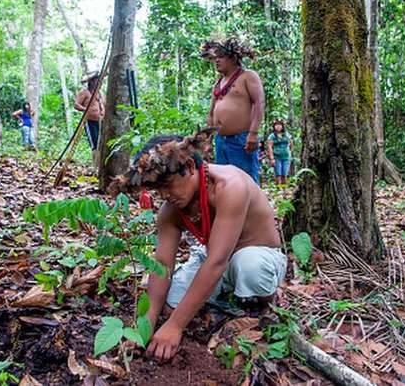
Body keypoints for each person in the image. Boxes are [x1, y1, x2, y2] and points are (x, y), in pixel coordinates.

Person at [109, 129, 287, 361]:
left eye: (168, 185)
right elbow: (162, 264)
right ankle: (226, 295)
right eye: (157, 189)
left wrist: (175, 327)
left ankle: (266, 300)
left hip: (255, 254)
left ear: (191, 167)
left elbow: (217, 262)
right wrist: (146, 323)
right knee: (170, 305)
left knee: (250, 268)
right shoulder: (170, 211)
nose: (165, 195)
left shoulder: (230, 187)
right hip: (214, 257)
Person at [202, 36, 265, 185]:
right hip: (221, 141)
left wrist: (253, 133)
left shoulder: (247, 76)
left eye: (221, 57)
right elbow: (211, 114)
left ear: (233, 57)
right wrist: (208, 141)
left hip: (241, 140)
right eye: (214, 57)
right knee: (225, 183)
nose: (217, 61)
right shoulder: (218, 83)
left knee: (246, 182)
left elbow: (259, 103)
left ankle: (254, 209)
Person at [75, 71, 103, 166]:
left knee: (101, 143)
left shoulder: (99, 93)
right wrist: (86, 109)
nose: (98, 82)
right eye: (95, 80)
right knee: (94, 143)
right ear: (91, 82)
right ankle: (95, 166)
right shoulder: (85, 93)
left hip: (100, 121)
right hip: (89, 121)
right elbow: (76, 105)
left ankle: (100, 165)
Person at [266, 119, 293, 185]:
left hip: (286, 157)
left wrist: (290, 153)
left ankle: (284, 190)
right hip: (276, 157)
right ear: (274, 126)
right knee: (278, 174)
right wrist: (272, 159)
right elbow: (269, 147)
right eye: (276, 125)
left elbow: (291, 144)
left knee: (285, 174)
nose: (278, 126)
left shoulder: (286, 134)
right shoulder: (272, 136)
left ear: (283, 126)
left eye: (280, 125)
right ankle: (278, 190)